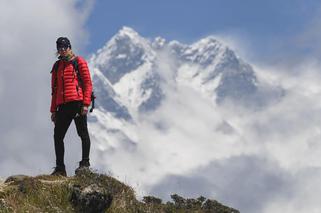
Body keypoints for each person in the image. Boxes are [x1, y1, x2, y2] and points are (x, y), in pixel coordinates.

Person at [50, 37, 93, 176]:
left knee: (82, 133)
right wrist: (53, 110)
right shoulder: (57, 66)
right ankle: (60, 168)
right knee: (58, 136)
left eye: (64, 48)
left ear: (69, 47)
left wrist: (86, 104)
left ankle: (85, 164)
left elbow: (87, 84)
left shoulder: (79, 61)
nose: (62, 51)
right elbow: (54, 90)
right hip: (62, 106)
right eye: (60, 48)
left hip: (77, 103)